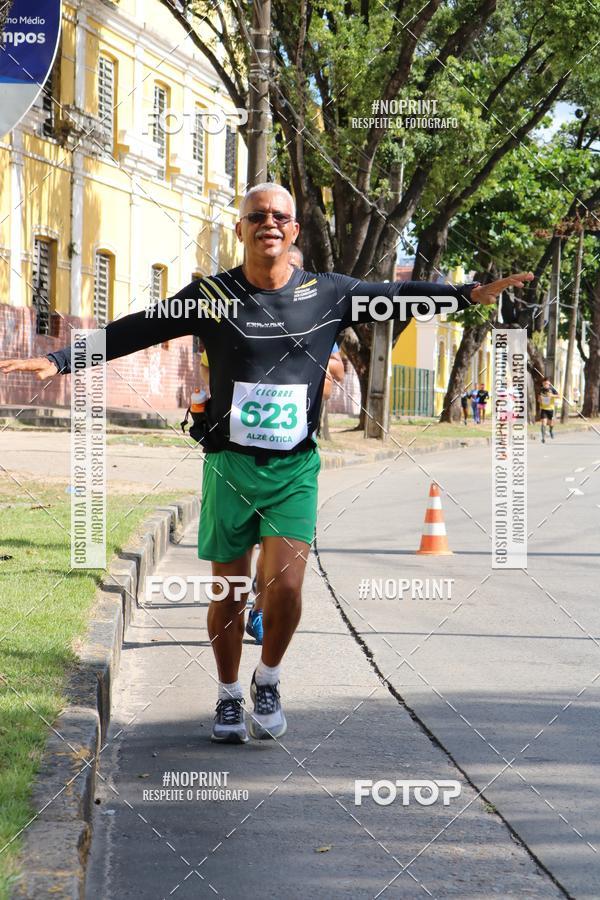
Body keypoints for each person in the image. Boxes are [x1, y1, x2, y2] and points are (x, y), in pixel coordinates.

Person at [0, 182, 534, 744]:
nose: (269, 223)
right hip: (230, 467)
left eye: (280, 216)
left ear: (295, 230)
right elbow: (137, 328)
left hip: (294, 470)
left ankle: (269, 678)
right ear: (241, 229)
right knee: (227, 595)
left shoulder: (328, 293)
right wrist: (61, 359)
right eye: (257, 216)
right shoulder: (211, 296)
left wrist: (470, 293)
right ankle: (229, 694)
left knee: (286, 586)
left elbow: (398, 297)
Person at [539, 377, 559, 443]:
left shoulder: (552, 389)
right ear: (543, 383)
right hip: (543, 409)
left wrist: (552, 395)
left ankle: (550, 431)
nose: (546, 385)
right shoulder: (541, 390)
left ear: (549, 383)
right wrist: (540, 400)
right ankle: (543, 437)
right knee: (543, 422)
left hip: (551, 409)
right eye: (544, 384)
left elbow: (559, 396)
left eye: (547, 383)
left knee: (551, 423)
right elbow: (538, 398)